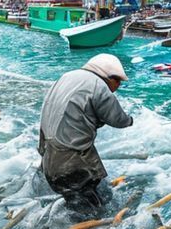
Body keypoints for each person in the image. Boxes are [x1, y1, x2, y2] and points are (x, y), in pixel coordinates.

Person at [38, 54, 133, 210]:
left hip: (49, 159)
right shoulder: (98, 85)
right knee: (92, 210)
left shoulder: (67, 77)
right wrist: (131, 120)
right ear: (111, 77)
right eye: (118, 82)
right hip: (73, 162)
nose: (118, 86)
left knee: (76, 203)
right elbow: (119, 120)